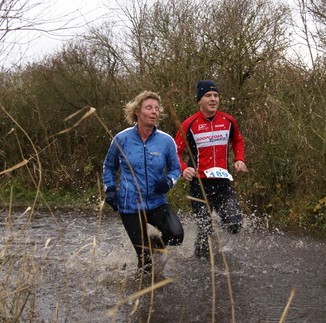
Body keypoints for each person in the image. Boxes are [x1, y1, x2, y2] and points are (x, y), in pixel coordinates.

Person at [103, 91, 184, 273]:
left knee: (177, 236)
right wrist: (110, 189)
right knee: (146, 263)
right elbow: (108, 167)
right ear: (137, 112)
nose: (154, 112)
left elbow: (175, 169)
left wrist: (169, 182)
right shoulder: (121, 139)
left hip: (156, 202)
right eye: (149, 108)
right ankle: (145, 295)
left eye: (157, 108)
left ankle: (156, 242)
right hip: (130, 206)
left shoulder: (166, 141)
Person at [174, 80, 247, 258]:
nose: (213, 99)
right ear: (200, 100)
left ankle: (217, 233)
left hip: (222, 183)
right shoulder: (189, 125)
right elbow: (173, 151)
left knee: (234, 224)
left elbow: (237, 140)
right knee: (205, 230)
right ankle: (202, 270)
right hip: (199, 186)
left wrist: (239, 159)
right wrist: (183, 168)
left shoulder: (228, 121)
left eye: (216, 96)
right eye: (208, 96)